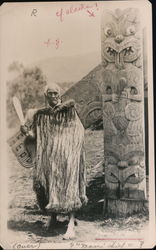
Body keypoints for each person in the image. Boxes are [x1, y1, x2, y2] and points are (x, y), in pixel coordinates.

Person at [21, 82, 88, 239]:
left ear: (60, 95)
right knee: (49, 184)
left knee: (70, 185)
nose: (53, 96)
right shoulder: (42, 116)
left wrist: (68, 149)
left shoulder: (69, 111)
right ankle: (53, 217)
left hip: (68, 155)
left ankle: (71, 223)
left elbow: (78, 130)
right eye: (50, 93)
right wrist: (27, 133)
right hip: (50, 158)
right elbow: (37, 138)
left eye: (55, 93)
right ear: (46, 96)